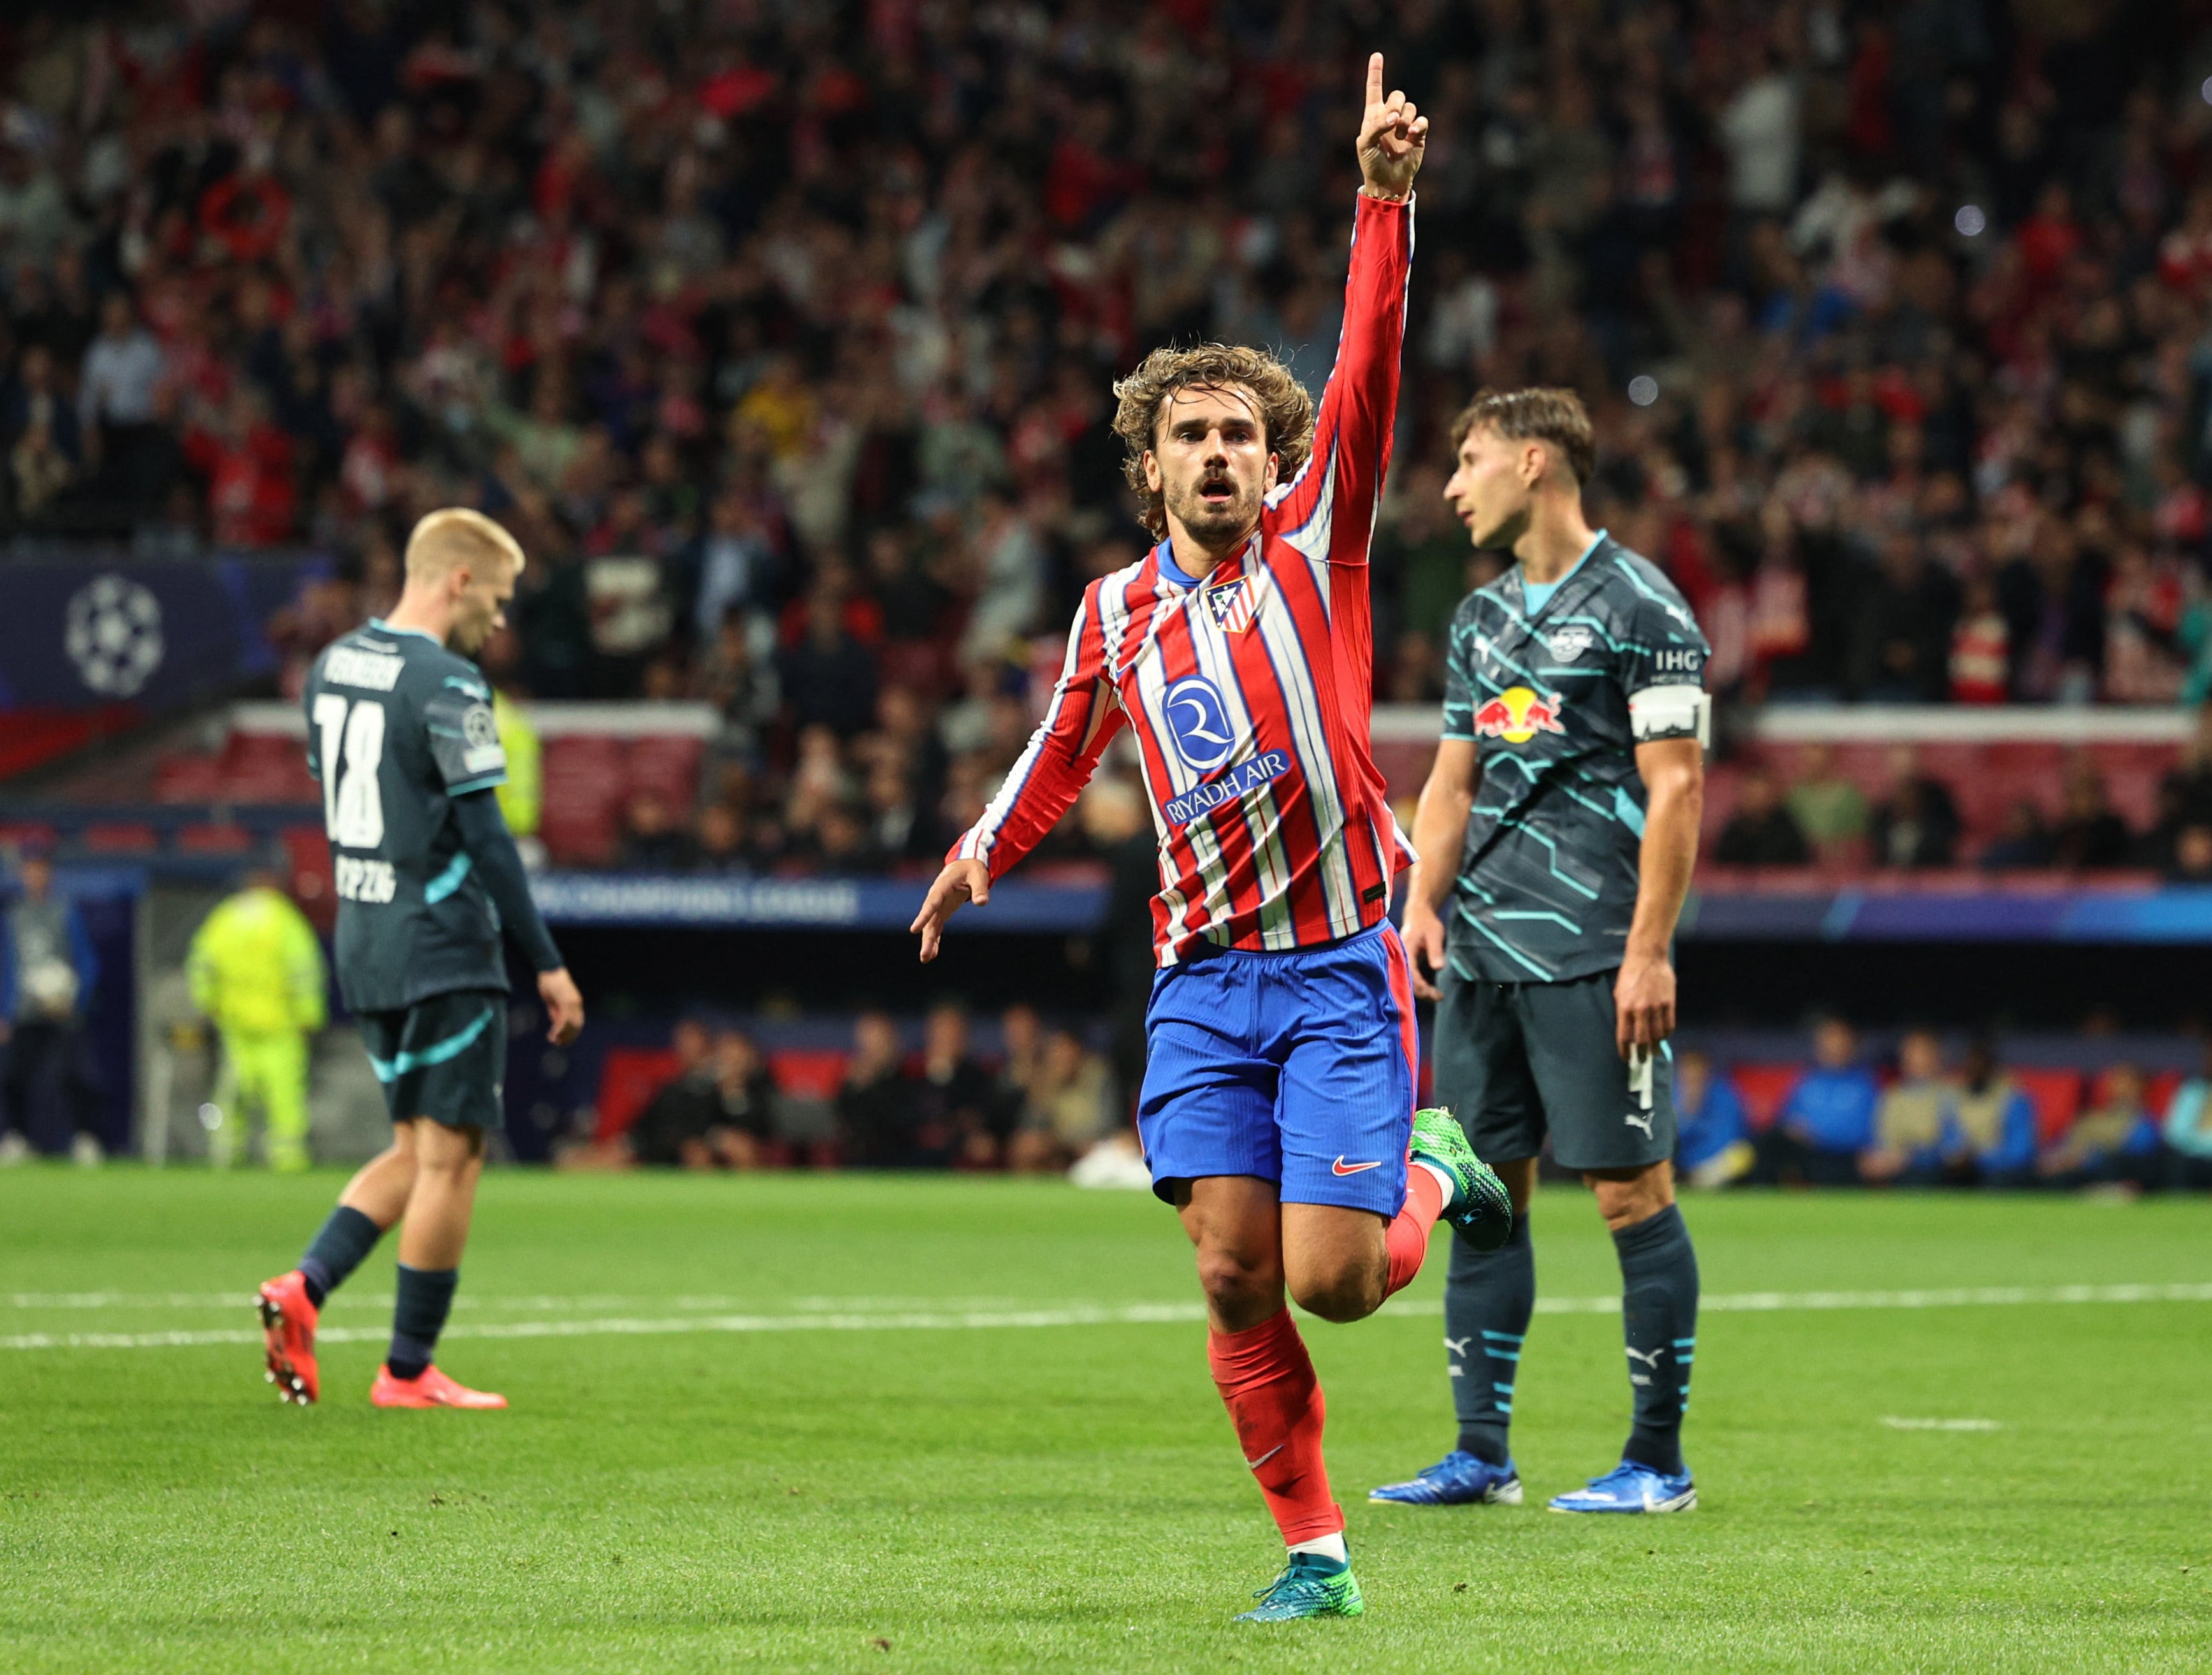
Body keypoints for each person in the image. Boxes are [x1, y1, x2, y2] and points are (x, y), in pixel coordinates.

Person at [910, 60, 1508, 1623]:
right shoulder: (1112, 611)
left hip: (1331, 963)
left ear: (1273, 452)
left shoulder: (1322, 542)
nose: (1221, 454)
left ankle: (1434, 1172)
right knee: (1233, 1274)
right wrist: (981, 846)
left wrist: (1381, 201)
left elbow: (1368, 366)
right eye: (1192, 435)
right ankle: (1313, 1554)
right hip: (1201, 980)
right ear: (1150, 462)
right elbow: (1058, 747)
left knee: (1334, 1278)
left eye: (1243, 431)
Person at [1369, 384, 1711, 1521]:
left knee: (1630, 1194)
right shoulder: (1477, 621)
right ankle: (1481, 1452)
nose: (1452, 486)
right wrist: (1422, 902)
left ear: (1534, 463)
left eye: (1466, 461)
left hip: (1593, 950)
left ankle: (1656, 1461)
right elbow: (1453, 780)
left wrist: (1649, 950)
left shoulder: (1642, 606)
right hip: (1481, 953)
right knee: (1481, 1196)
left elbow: (1678, 787)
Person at [256, 509, 586, 1410]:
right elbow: (485, 835)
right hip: (441, 943)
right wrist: (547, 962)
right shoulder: (449, 684)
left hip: (363, 938)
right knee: (454, 1159)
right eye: (502, 598)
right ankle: (406, 1371)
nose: (502, 622)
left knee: (414, 1146)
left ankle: (305, 1288)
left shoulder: (330, 668)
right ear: (459, 580)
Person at [186, 865, 329, 1171]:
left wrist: (207, 1002)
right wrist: (310, 1015)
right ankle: (288, 1160)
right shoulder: (284, 919)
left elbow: (201, 964)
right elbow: (304, 968)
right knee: (285, 1098)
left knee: (231, 1095)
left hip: (235, 1024)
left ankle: (225, 1155)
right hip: (281, 1026)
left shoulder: (224, 918)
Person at [0, 850, 103, 1166]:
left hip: (62, 1012)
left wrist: (76, 1001)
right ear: (23, 874)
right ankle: (19, 1138)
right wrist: (5, 1012)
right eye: (30, 870)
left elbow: (86, 962)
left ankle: (85, 1137)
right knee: (13, 1075)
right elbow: (6, 965)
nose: (36, 876)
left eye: (41, 869)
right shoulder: (13, 916)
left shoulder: (65, 911)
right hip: (25, 1012)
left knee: (72, 1075)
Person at [1753, 1016, 1878, 1186]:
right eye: (1829, 1040)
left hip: (1841, 1157)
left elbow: (1863, 1133)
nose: (1834, 1046)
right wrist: (1794, 1130)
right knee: (1770, 1141)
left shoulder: (1865, 1085)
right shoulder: (1807, 1081)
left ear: (1852, 1045)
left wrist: (1817, 1136)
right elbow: (1784, 1118)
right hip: (1805, 1153)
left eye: (1840, 1040)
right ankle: (1761, 1197)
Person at [2037, 1065, 2159, 1193]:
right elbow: (2064, 1145)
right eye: (2115, 1081)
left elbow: (2137, 1155)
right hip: (2073, 1169)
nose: (2117, 1087)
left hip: (2105, 1173)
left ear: (2139, 1087)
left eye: (2125, 1082)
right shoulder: (2090, 1118)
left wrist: (2085, 1160)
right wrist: (2055, 1159)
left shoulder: (2144, 1122)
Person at [1941, 1037, 2038, 1187]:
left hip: (2001, 1175)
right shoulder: (1955, 1099)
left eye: (1981, 1064)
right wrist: (1957, 1157)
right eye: (1971, 1065)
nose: (1976, 1070)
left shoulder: (2013, 1099)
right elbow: (1948, 1143)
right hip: (1964, 1174)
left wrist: (1980, 1160)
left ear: (1992, 1066)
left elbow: (2021, 1153)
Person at [1860, 1028, 1949, 1186]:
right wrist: (1877, 1158)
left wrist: (1912, 1158)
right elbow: (1879, 1138)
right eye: (1912, 1053)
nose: (1918, 1059)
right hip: (1894, 1175)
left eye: (1923, 1053)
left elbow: (1956, 1151)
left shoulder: (1950, 1096)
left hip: (1935, 1177)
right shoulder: (1891, 1096)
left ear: (1936, 1058)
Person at [1673, 1048, 1752, 1189]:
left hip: (1712, 1164)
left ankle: (1695, 1181)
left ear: (1707, 1071)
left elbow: (1728, 1138)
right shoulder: (1670, 1095)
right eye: (1688, 1069)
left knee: (1742, 1154)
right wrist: (1687, 1112)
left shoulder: (1724, 1095)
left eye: (1697, 1069)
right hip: (1679, 1163)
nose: (1693, 1075)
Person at [1714, 767, 1811, 866]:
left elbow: (1799, 868)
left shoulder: (1787, 829)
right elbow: (1721, 867)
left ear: (1773, 796)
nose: (1755, 801)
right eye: (1751, 795)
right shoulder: (1734, 829)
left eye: (1760, 795)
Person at [2159, 1041, 2212, 1191]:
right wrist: (2206, 1146)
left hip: (2198, 1149)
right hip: (2193, 1158)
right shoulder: (2192, 1090)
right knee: (2176, 1161)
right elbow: (2174, 1132)